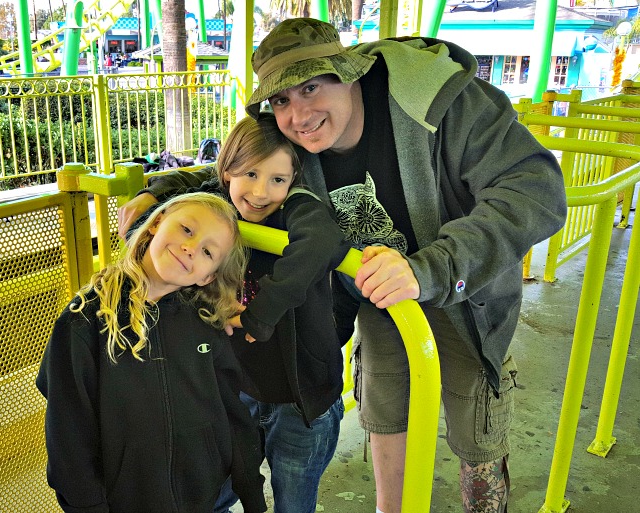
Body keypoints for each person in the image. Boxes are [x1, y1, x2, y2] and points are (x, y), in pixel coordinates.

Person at [118, 18, 568, 513]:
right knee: (385, 412)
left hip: (464, 289)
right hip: (379, 296)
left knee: (476, 426)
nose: (299, 114)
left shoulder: (443, 103)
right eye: (282, 101)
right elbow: (242, 168)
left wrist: (431, 269)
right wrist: (161, 193)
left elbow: (535, 188)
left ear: (349, 74)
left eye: (311, 87)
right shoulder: (295, 137)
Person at [125, 113, 353, 513]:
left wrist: (258, 314)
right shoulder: (219, 202)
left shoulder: (298, 207)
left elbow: (322, 241)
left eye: (278, 180)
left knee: (294, 501)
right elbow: (194, 186)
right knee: (217, 490)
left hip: (303, 400)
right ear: (228, 168)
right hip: (239, 390)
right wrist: (154, 191)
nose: (261, 192)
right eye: (250, 173)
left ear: (293, 181)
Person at [36, 192, 266, 513]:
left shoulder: (205, 322)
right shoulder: (85, 320)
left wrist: (251, 493)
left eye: (207, 251)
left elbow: (234, 414)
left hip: (207, 501)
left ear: (207, 276)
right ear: (157, 222)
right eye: (187, 229)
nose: (190, 247)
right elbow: (68, 440)